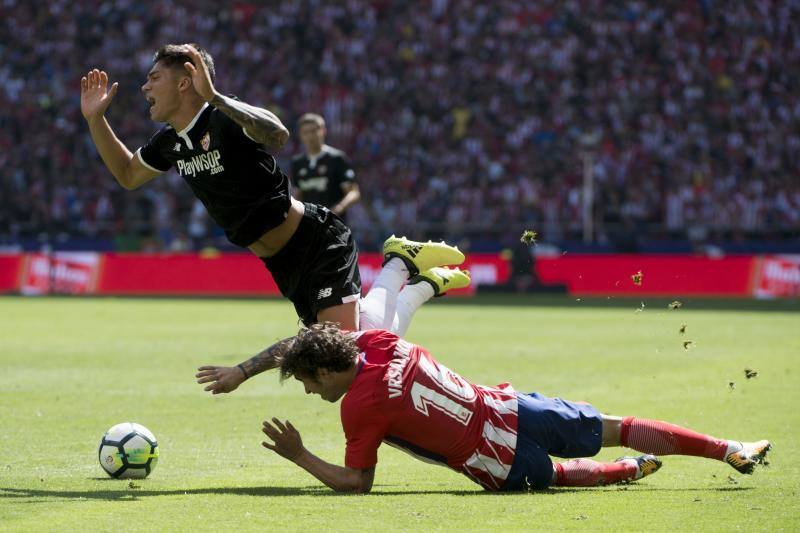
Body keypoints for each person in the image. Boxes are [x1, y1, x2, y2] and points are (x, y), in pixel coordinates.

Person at [80, 43, 460, 331]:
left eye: (154, 78)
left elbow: (278, 134)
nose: (144, 86)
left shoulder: (223, 118)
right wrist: (96, 119)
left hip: (315, 240)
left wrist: (215, 98)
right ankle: (412, 275)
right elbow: (128, 175)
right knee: (352, 344)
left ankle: (400, 268)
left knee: (344, 356)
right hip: (281, 262)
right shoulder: (169, 142)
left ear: (184, 82)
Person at [254, 324, 771, 493]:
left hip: (493, 459)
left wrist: (300, 455)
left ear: (324, 370)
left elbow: (357, 483)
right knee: (616, 426)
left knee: (559, 476)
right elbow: (326, 337)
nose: (308, 391)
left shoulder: (359, 408)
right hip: (509, 407)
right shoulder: (379, 341)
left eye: (305, 381)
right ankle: (729, 448)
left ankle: (627, 470)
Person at [196, 238, 471, 394]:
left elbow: (296, 345)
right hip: (320, 276)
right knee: (372, 337)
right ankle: (415, 277)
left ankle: (405, 268)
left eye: (303, 381)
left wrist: (243, 371)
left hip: (324, 262)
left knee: (358, 341)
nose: (307, 391)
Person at [290, 113, 360, 222]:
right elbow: (297, 194)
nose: (310, 136)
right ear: (300, 135)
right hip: (309, 224)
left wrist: (338, 208)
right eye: (305, 132)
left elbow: (353, 192)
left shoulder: (337, 158)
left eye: (313, 131)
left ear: (323, 131)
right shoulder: (297, 163)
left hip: (334, 224)